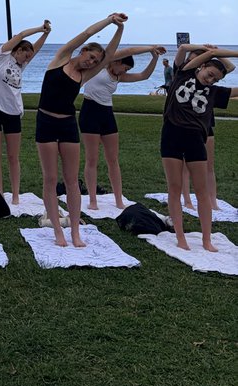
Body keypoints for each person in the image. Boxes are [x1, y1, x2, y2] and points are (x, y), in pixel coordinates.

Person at [36, 14, 127, 248]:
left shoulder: (85, 75)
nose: (91, 62)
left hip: (67, 125)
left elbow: (110, 54)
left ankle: (75, 231)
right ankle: (58, 230)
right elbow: (86, 33)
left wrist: (119, 30)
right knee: (50, 178)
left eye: (96, 60)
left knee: (71, 181)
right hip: (45, 122)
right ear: (83, 50)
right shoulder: (60, 59)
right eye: (90, 56)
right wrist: (109, 21)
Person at [163, 44, 238, 248]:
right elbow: (209, 53)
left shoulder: (214, 92)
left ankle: (206, 239)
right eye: (210, 74)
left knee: (202, 190)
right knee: (175, 187)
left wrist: (218, 62)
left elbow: (228, 71)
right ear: (201, 66)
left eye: (215, 79)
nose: (211, 79)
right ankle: (180, 236)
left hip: (196, 139)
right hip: (171, 135)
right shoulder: (182, 74)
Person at [79, 44, 164, 209]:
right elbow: (130, 51)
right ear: (116, 62)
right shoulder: (101, 65)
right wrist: (150, 48)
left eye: (126, 70)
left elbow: (144, 76)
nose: (124, 72)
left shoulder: (118, 77)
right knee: (92, 159)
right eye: (123, 68)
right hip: (89, 112)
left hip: (107, 115)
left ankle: (119, 200)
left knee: (113, 159)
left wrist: (154, 58)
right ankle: (92, 200)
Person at [0, 21, 51, 205]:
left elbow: (35, 49)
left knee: (13, 156)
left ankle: (15, 195)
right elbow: (19, 36)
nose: (26, 59)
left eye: (29, 57)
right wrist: (38, 28)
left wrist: (46, 35)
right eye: (24, 55)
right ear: (17, 50)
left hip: (13, 113)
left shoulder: (22, 65)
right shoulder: (1, 57)